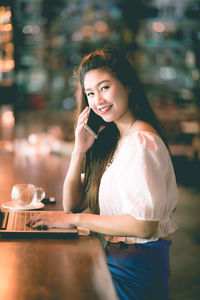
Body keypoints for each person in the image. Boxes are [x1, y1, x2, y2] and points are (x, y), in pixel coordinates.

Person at [29, 48, 178, 300]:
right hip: (118, 260)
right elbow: (71, 204)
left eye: (105, 87)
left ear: (128, 85)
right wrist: (78, 150)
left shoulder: (141, 142)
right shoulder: (119, 139)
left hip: (135, 269)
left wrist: (75, 221)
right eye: (90, 93)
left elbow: (143, 226)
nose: (98, 100)